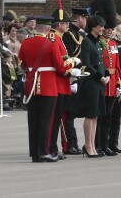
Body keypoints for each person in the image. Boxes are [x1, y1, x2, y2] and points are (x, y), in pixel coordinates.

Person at [18, 16, 79, 163]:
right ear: (47, 29)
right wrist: (72, 62)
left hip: (31, 86)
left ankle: (35, 153)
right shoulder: (51, 43)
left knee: (33, 120)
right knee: (46, 120)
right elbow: (60, 66)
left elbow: (22, 64)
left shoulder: (26, 43)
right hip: (48, 86)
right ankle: (44, 152)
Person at [70, 14, 109, 157]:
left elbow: (100, 62)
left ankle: (92, 145)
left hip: (99, 82)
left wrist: (107, 74)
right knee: (91, 114)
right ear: (93, 27)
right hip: (91, 82)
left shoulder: (98, 42)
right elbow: (86, 63)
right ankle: (88, 145)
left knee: (96, 115)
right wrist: (100, 77)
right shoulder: (87, 42)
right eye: (100, 26)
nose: (102, 29)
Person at [48, 9, 78, 160]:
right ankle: (51, 148)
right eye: (66, 23)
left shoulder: (59, 38)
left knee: (58, 117)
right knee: (55, 119)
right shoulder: (54, 38)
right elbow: (60, 65)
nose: (68, 26)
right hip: (57, 83)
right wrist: (72, 65)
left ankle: (54, 147)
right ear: (59, 24)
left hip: (62, 82)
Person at [61, 7, 89, 155]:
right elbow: (68, 57)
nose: (86, 21)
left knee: (71, 113)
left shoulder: (78, 34)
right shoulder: (68, 35)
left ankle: (73, 143)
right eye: (85, 18)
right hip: (70, 76)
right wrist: (71, 78)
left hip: (78, 76)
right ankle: (68, 145)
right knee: (67, 113)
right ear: (80, 18)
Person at [95, 20, 121, 156]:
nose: (110, 30)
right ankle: (97, 144)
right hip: (101, 83)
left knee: (108, 116)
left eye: (112, 28)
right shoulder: (98, 43)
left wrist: (117, 83)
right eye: (107, 28)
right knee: (99, 116)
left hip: (111, 84)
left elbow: (116, 67)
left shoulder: (113, 44)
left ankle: (105, 144)